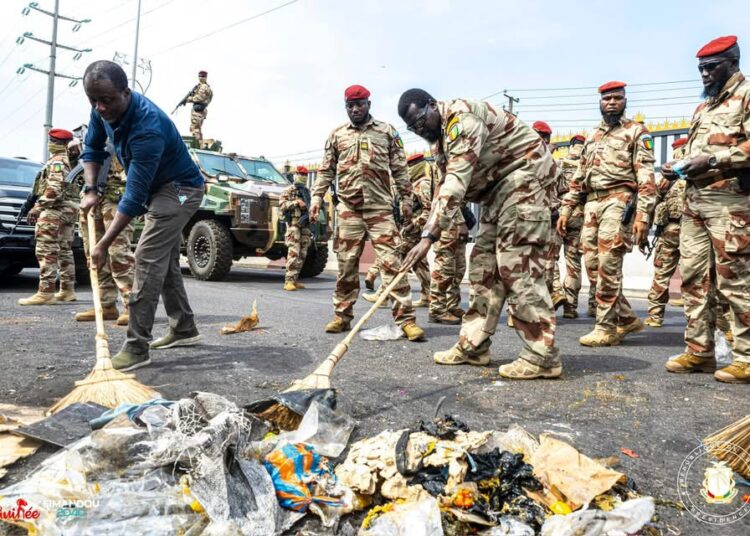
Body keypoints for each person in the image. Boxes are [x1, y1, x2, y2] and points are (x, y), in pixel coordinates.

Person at [399, 89, 562, 379]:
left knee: (518, 268)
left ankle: (542, 356)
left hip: (525, 182)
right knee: (483, 268)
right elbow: (444, 188)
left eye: (421, 122)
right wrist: (429, 229)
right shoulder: (441, 141)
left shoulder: (463, 119)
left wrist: (428, 237)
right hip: (497, 194)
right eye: (413, 128)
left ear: (433, 106)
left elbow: (457, 182)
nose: (419, 130)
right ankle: (473, 345)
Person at [80, 60, 205, 371]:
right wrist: (91, 187)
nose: (100, 108)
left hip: (181, 190)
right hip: (159, 189)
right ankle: (184, 327)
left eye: (107, 100)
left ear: (126, 92)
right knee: (165, 260)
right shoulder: (101, 110)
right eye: (93, 100)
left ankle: (137, 347)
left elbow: (134, 198)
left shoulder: (147, 127)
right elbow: (92, 149)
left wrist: (103, 245)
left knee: (148, 256)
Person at [661, 35, 750, 383]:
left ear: (733, 62)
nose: (704, 74)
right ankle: (699, 351)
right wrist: (679, 164)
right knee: (695, 280)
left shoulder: (746, 98)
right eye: (700, 68)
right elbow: (697, 151)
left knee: (736, 282)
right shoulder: (704, 107)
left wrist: (714, 158)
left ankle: (745, 357)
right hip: (694, 202)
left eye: (711, 67)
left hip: (731, 204)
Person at [309, 84, 424, 341]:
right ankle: (342, 315)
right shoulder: (337, 135)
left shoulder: (387, 132)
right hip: (349, 209)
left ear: (369, 104)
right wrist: (317, 197)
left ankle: (406, 320)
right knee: (346, 265)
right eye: (350, 105)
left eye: (359, 103)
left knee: (393, 264)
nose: (355, 108)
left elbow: (400, 169)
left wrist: (406, 199)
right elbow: (326, 170)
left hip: (380, 209)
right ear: (346, 107)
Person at [558, 81, 657, 347]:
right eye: (607, 99)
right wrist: (567, 209)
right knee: (593, 267)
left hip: (619, 201)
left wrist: (643, 216)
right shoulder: (592, 136)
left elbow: (646, 176)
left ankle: (606, 328)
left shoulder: (636, 132)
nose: (612, 103)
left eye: (617, 98)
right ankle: (625, 318)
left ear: (625, 101)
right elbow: (578, 178)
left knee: (608, 266)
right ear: (599, 103)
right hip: (591, 205)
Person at [74, 145, 136, 326]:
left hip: (117, 199)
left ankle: (132, 307)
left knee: (118, 253)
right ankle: (105, 305)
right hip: (91, 198)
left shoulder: (127, 135)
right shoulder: (93, 139)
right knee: (93, 254)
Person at [18, 129, 79, 305]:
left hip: (55, 210)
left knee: (46, 250)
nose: (50, 144)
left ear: (54, 143)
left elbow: (54, 188)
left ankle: (46, 292)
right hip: (68, 211)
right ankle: (67, 290)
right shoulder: (67, 160)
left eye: (51, 141)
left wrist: (38, 207)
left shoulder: (57, 161)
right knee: (65, 251)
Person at [365, 153, 434, 308]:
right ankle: (427, 295)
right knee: (420, 263)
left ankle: (382, 297)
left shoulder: (422, 184)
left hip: (412, 231)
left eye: (410, 167)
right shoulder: (415, 184)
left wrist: (414, 224)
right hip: (410, 230)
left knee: (393, 260)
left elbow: (428, 210)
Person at [557, 135, 597, 319]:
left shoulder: (559, 163)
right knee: (575, 263)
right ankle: (574, 307)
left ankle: (555, 295)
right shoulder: (589, 163)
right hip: (581, 215)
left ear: (570, 146)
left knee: (549, 260)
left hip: (559, 215)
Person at [533, 120, 567, 311]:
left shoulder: (557, 164)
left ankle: (546, 302)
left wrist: (562, 211)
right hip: (528, 220)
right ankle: (517, 310)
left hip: (551, 219)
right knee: (524, 264)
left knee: (549, 264)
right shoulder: (521, 160)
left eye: (542, 138)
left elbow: (564, 191)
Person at [280, 165, 312, 291]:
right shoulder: (288, 190)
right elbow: (282, 206)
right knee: (294, 252)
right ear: (296, 174)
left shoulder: (307, 191)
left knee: (303, 254)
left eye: (305, 175)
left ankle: (295, 279)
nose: (303, 177)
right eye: (301, 174)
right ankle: (288, 281)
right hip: (294, 225)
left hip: (305, 226)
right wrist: (296, 203)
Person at [186, 70, 213, 144]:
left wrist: (189, 99)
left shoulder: (203, 87)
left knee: (195, 129)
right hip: (201, 109)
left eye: (202, 76)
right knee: (197, 128)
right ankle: (200, 143)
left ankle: (198, 144)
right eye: (200, 76)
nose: (201, 78)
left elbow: (200, 98)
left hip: (198, 110)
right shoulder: (204, 86)